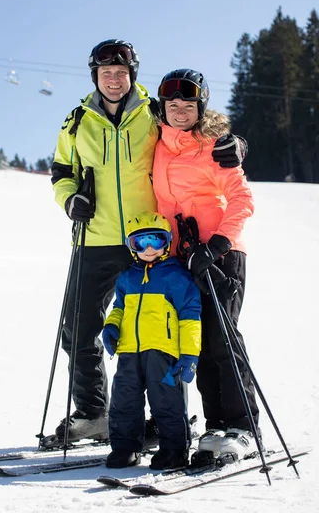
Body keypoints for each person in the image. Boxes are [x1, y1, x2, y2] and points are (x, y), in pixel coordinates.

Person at [50, 40, 247, 443]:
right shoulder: (76, 121)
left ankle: (172, 417)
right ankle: (94, 414)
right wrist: (71, 199)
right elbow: (60, 171)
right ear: (95, 76)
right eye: (106, 73)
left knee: (167, 329)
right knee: (77, 327)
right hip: (96, 237)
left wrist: (238, 143)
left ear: (132, 75)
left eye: (122, 72)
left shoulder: (153, 113)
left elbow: (198, 130)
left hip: (151, 241)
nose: (114, 79)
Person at [152, 68, 260, 462]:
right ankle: (216, 426)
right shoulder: (159, 142)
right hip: (180, 257)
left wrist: (215, 246)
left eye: (189, 105)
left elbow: (242, 200)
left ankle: (244, 427)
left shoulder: (215, 145)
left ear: (201, 107)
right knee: (196, 342)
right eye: (173, 104)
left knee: (222, 340)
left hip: (221, 254)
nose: (180, 111)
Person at [102, 212, 201, 469]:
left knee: (165, 399)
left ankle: (174, 450)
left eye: (155, 241)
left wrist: (190, 355)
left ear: (166, 243)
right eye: (140, 242)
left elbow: (190, 318)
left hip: (163, 351)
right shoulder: (127, 277)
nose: (148, 249)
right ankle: (125, 448)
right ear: (131, 246)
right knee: (125, 398)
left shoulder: (177, 277)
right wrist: (111, 326)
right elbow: (119, 307)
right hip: (129, 351)